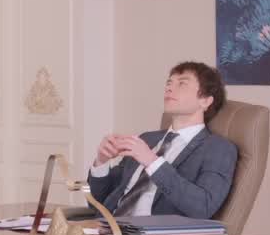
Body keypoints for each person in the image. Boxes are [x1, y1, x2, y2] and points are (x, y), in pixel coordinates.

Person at [88, 61, 236, 220]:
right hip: (106, 227)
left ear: (205, 101)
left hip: (151, 233)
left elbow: (203, 207)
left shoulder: (218, 149)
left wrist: (152, 162)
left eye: (182, 84)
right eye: (169, 83)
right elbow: (98, 202)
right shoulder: (147, 139)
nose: (169, 88)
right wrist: (101, 162)